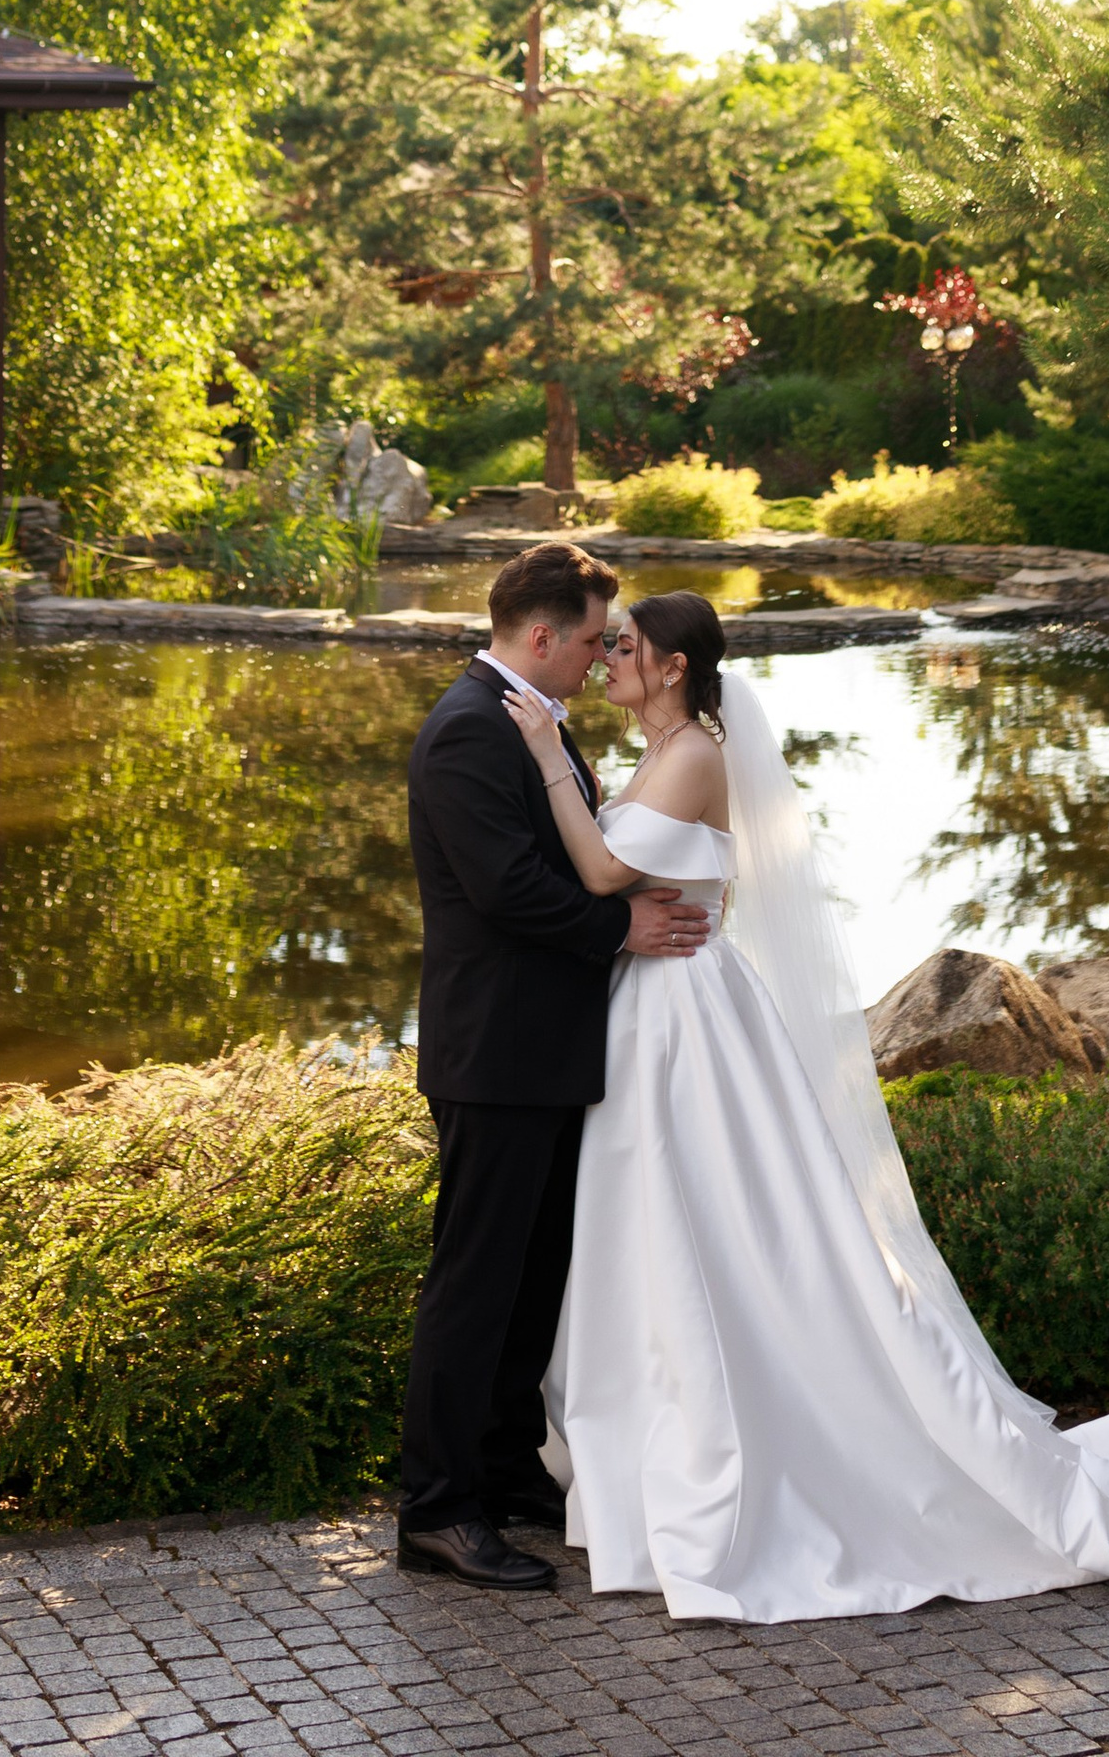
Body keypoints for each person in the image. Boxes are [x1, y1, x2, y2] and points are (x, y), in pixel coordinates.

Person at [496, 588, 1109, 1626]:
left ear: (675, 667)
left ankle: (749, 1449)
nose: (611, 656)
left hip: (687, 1021)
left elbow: (599, 870)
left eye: (627, 645)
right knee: (658, 1226)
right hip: (654, 1011)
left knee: (715, 1216)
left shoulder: (693, 757)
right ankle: (647, 1443)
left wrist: (544, 755)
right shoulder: (657, 752)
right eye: (609, 642)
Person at [395, 539, 710, 1589]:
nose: (599, 657)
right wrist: (623, 927)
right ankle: (437, 1512)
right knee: (474, 1283)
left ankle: (501, 1465)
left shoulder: (526, 719)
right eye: (591, 641)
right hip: (495, 1052)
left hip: (549, 1046)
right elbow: (507, 891)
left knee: (531, 1280)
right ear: (541, 636)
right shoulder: (466, 730)